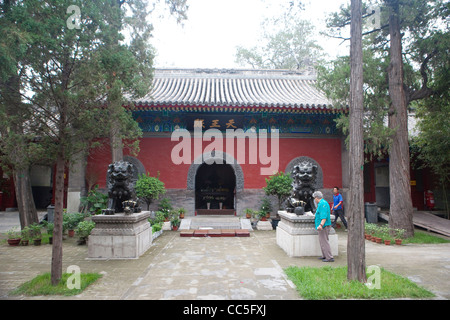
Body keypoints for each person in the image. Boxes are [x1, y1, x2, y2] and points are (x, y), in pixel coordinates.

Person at [313, 191, 334, 262]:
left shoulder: (322, 204)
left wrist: (321, 225)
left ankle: (329, 257)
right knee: (322, 241)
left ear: (316, 198)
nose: (314, 200)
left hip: (324, 226)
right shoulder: (322, 203)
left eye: (314, 198)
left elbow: (324, 216)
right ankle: (324, 255)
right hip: (323, 226)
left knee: (324, 241)